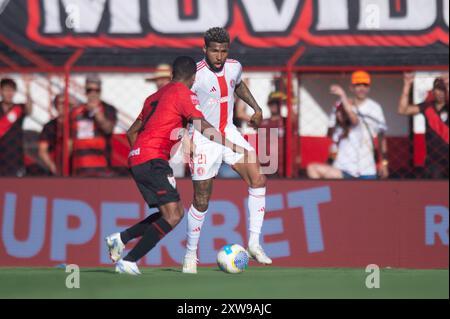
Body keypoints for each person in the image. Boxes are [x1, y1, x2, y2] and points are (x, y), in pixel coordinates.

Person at [104, 56, 245, 275]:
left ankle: (121, 239)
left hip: (138, 158)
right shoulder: (184, 94)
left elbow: (131, 132)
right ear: (194, 77)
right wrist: (231, 145)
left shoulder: (154, 96)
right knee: (174, 215)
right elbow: (203, 126)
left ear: (172, 74)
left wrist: (142, 153)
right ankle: (129, 261)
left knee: (169, 212)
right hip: (152, 159)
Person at [182, 27, 272, 275]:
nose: (219, 56)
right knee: (201, 200)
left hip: (228, 131)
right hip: (203, 137)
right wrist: (184, 138)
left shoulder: (234, 66)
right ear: (205, 50)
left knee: (258, 177)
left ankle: (253, 243)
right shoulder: (194, 75)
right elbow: (178, 105)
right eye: (214, 51)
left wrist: (256, 107)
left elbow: (238, 85)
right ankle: (191, 254)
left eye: (223, 51)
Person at [307, 71, 389, 180]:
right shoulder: (340, 105)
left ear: (369, 88)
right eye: (358, 85)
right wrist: (340, 123)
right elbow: (331, 134)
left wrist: (384, 163)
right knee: (312, 169)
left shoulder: (374, 108)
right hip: (343, 167)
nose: (361, 88)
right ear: (352, 87)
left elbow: (381, 137)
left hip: (366, 166)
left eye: (365, 85)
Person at [398, 73, 449, 179]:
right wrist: (407, 85)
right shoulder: (427, 106)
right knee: (436, 192)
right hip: (434, 160)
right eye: (438, 89)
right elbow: (402, 110)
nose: (441, 93)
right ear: (433, 90)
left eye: (444, 89)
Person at [70, 76, 118, 177]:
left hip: (101, 167)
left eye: (96, 90)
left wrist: (96, 112)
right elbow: (69, 139)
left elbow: (108, 129)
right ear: (85, 91)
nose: (93, 93)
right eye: (89, 90)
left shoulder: (108, 109)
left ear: (100, 91)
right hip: (79, 167)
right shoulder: (76, 111)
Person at [0, 77, 33, 177]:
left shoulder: (19, 108)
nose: (9, 93)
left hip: (15, 152)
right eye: (6, 90)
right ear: (1, 91)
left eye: (11, 90)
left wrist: (28, 89)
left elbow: (29, 110)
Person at [38, 93, 76, 175]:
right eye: (61, 103)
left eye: (67, 104)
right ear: (56, 106)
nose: (64, 106)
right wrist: (54, 168)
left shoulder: (76, 124)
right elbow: (42, 151)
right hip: (57, 165)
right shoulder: (49, 126)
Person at [259, 91, 287, 177]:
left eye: (277, 104)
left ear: (280, 105)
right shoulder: (263, 122)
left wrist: (291, 101)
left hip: (282, 165)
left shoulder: (286, 122)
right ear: (268, 105)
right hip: (265, 164)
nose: (274, 106)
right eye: (272, 104)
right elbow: (240, 114)